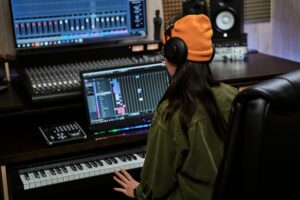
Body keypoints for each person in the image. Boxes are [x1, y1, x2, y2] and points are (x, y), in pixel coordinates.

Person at [113, 14, 238, 200]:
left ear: (174, 53)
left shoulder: (170, 111)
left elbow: (156, 188)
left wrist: (139, 191)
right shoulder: (232, 95)